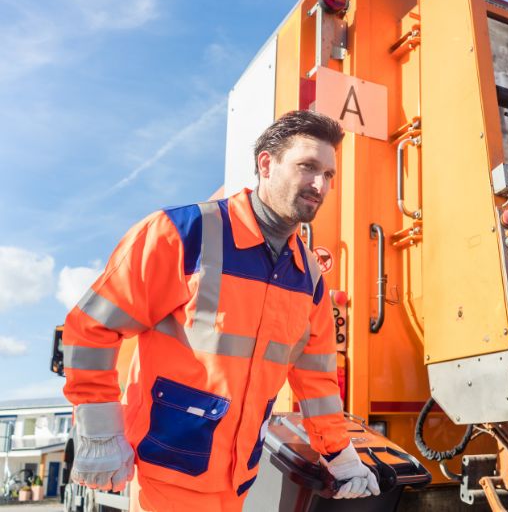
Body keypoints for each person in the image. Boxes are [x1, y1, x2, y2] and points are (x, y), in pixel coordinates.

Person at [62, 111, 379, 511]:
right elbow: (90, 328)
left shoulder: (309, 277)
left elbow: (317, 384)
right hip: (169, 473)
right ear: (266, 164)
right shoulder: (182, 234)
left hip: (240, 478)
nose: (320, 184)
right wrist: (99, 432)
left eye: (329, 174)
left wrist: (341, 455)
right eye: (308, 167)